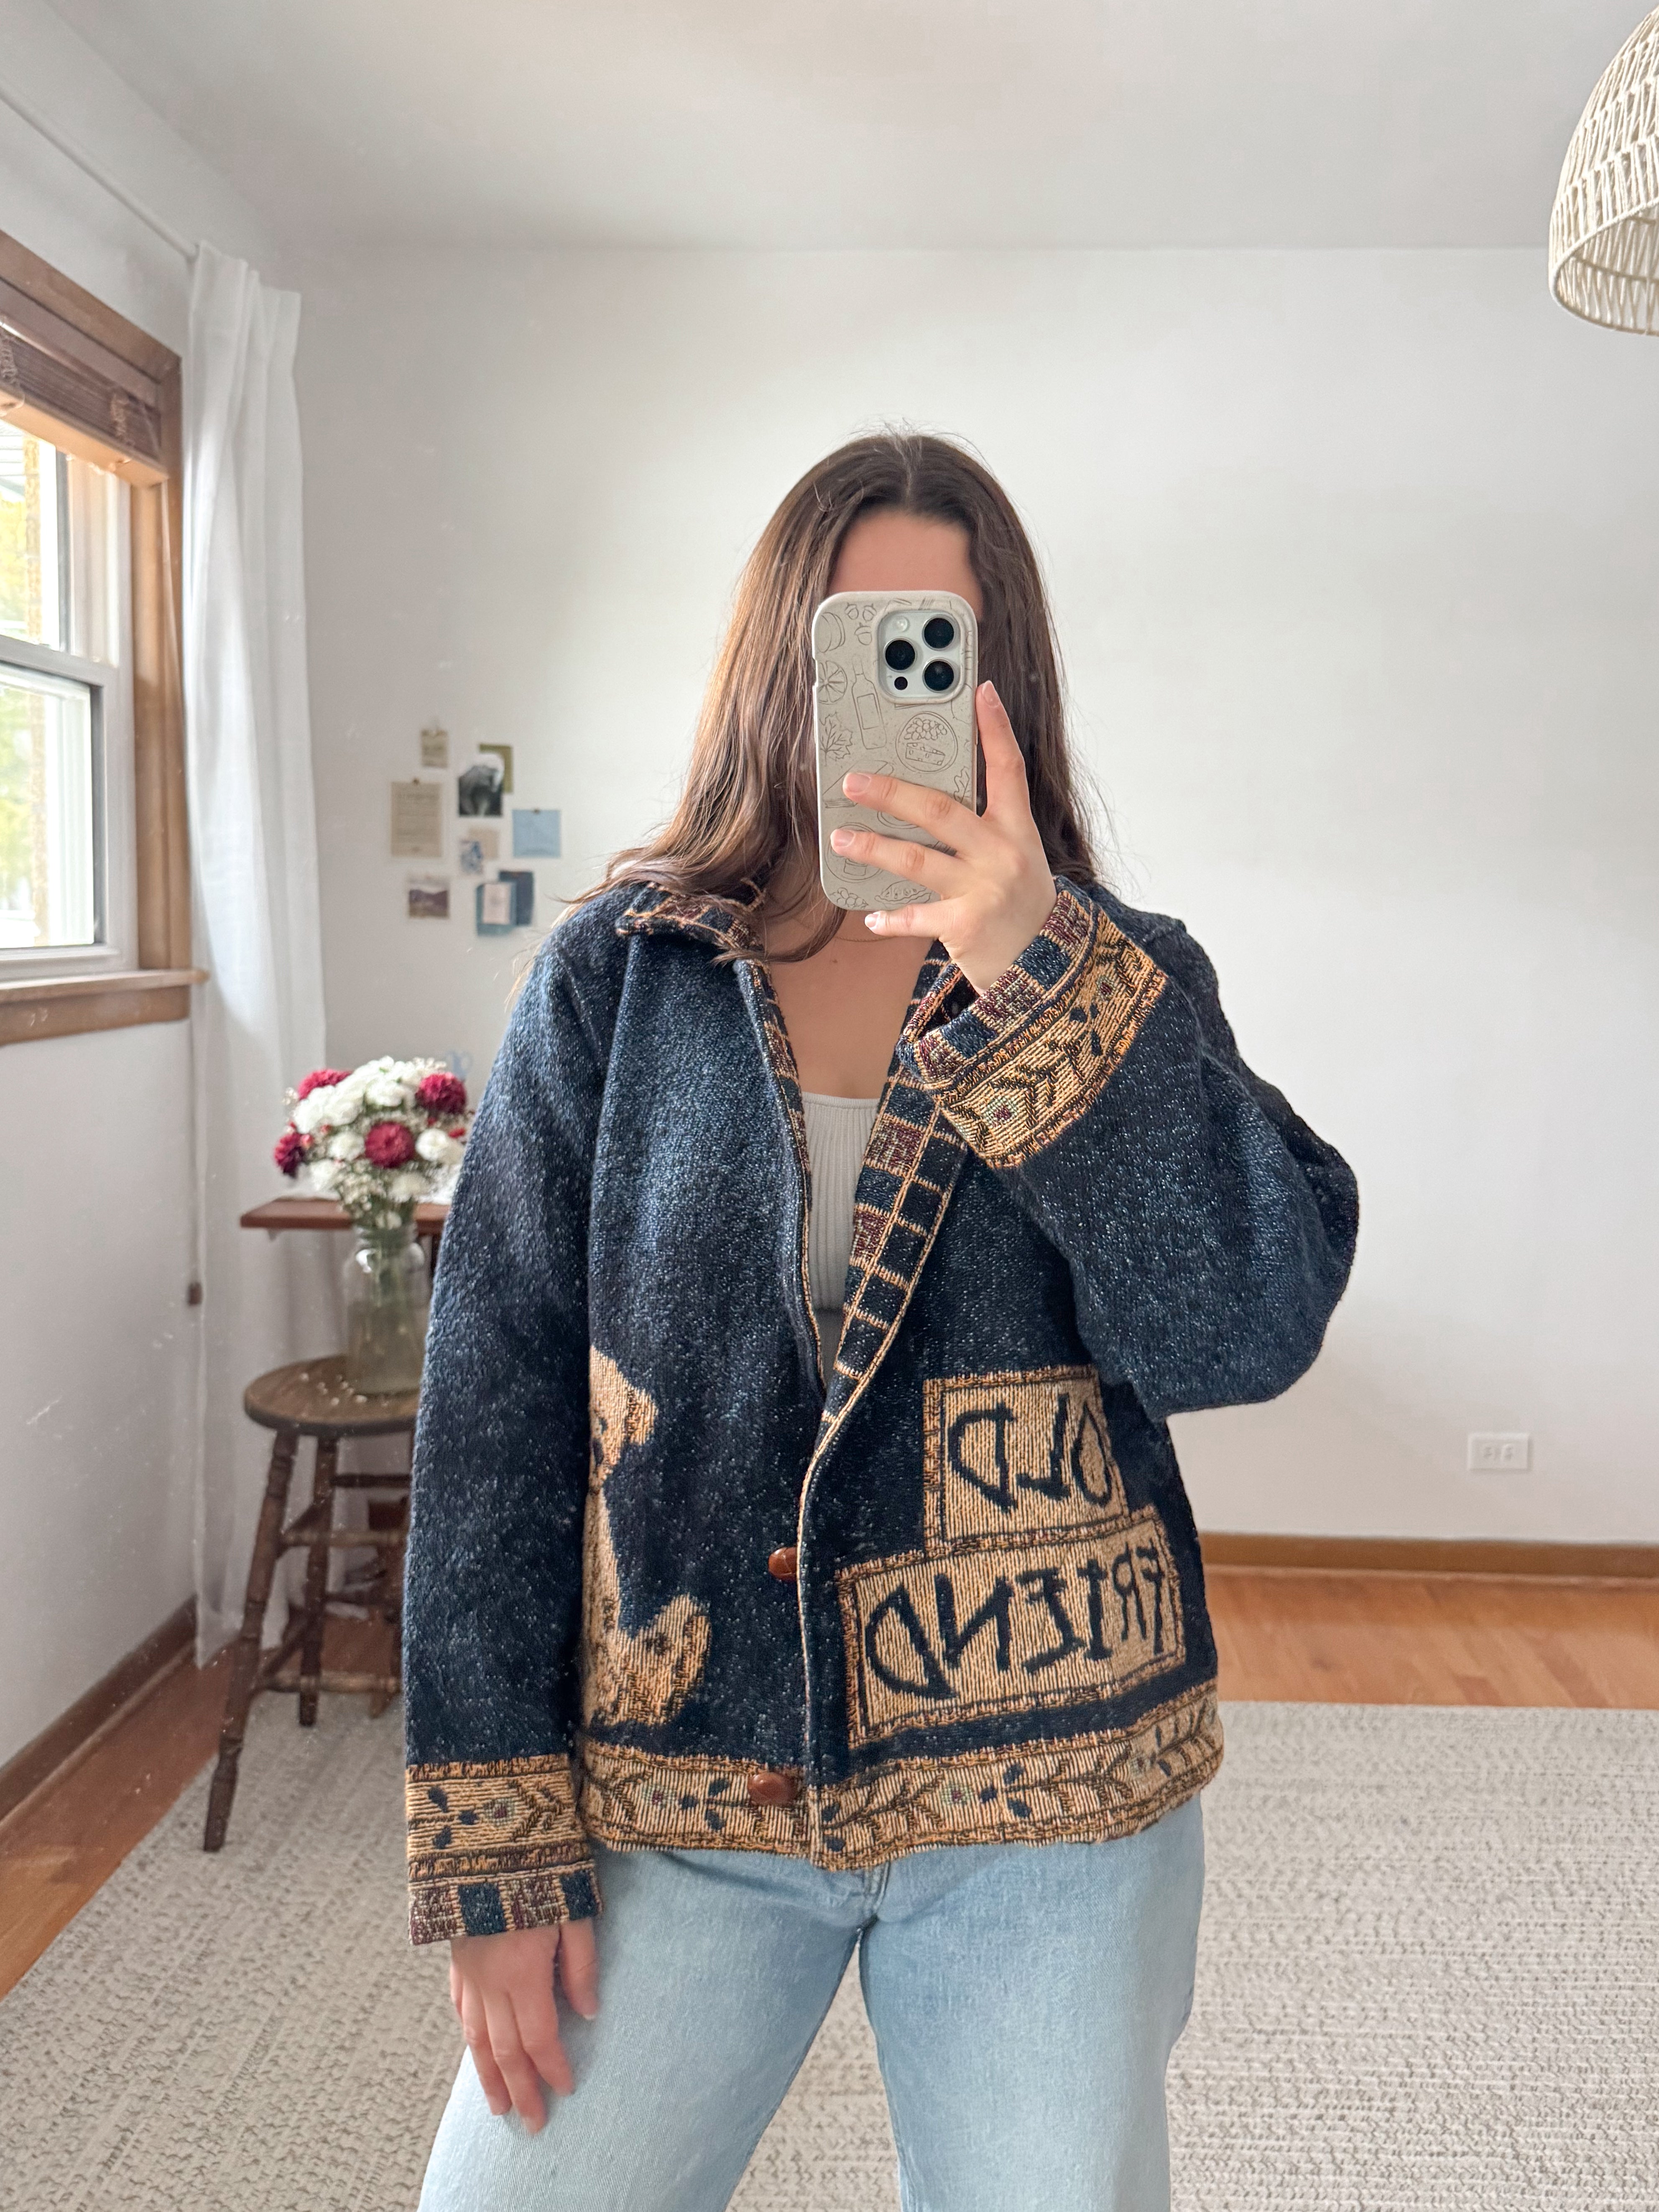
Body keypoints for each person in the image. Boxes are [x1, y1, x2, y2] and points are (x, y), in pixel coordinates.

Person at [404, 432, 1358, 2212]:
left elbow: (1243, 1325)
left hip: (1051, 1796)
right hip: (682, 1781)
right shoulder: (620, 981)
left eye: (934, 644)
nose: (887, 695)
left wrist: (1036, 975)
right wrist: (494, 1846)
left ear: (1003, 682)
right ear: (777, 663)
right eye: (851, 643)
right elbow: (494, 1404)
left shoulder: (1119, 972)